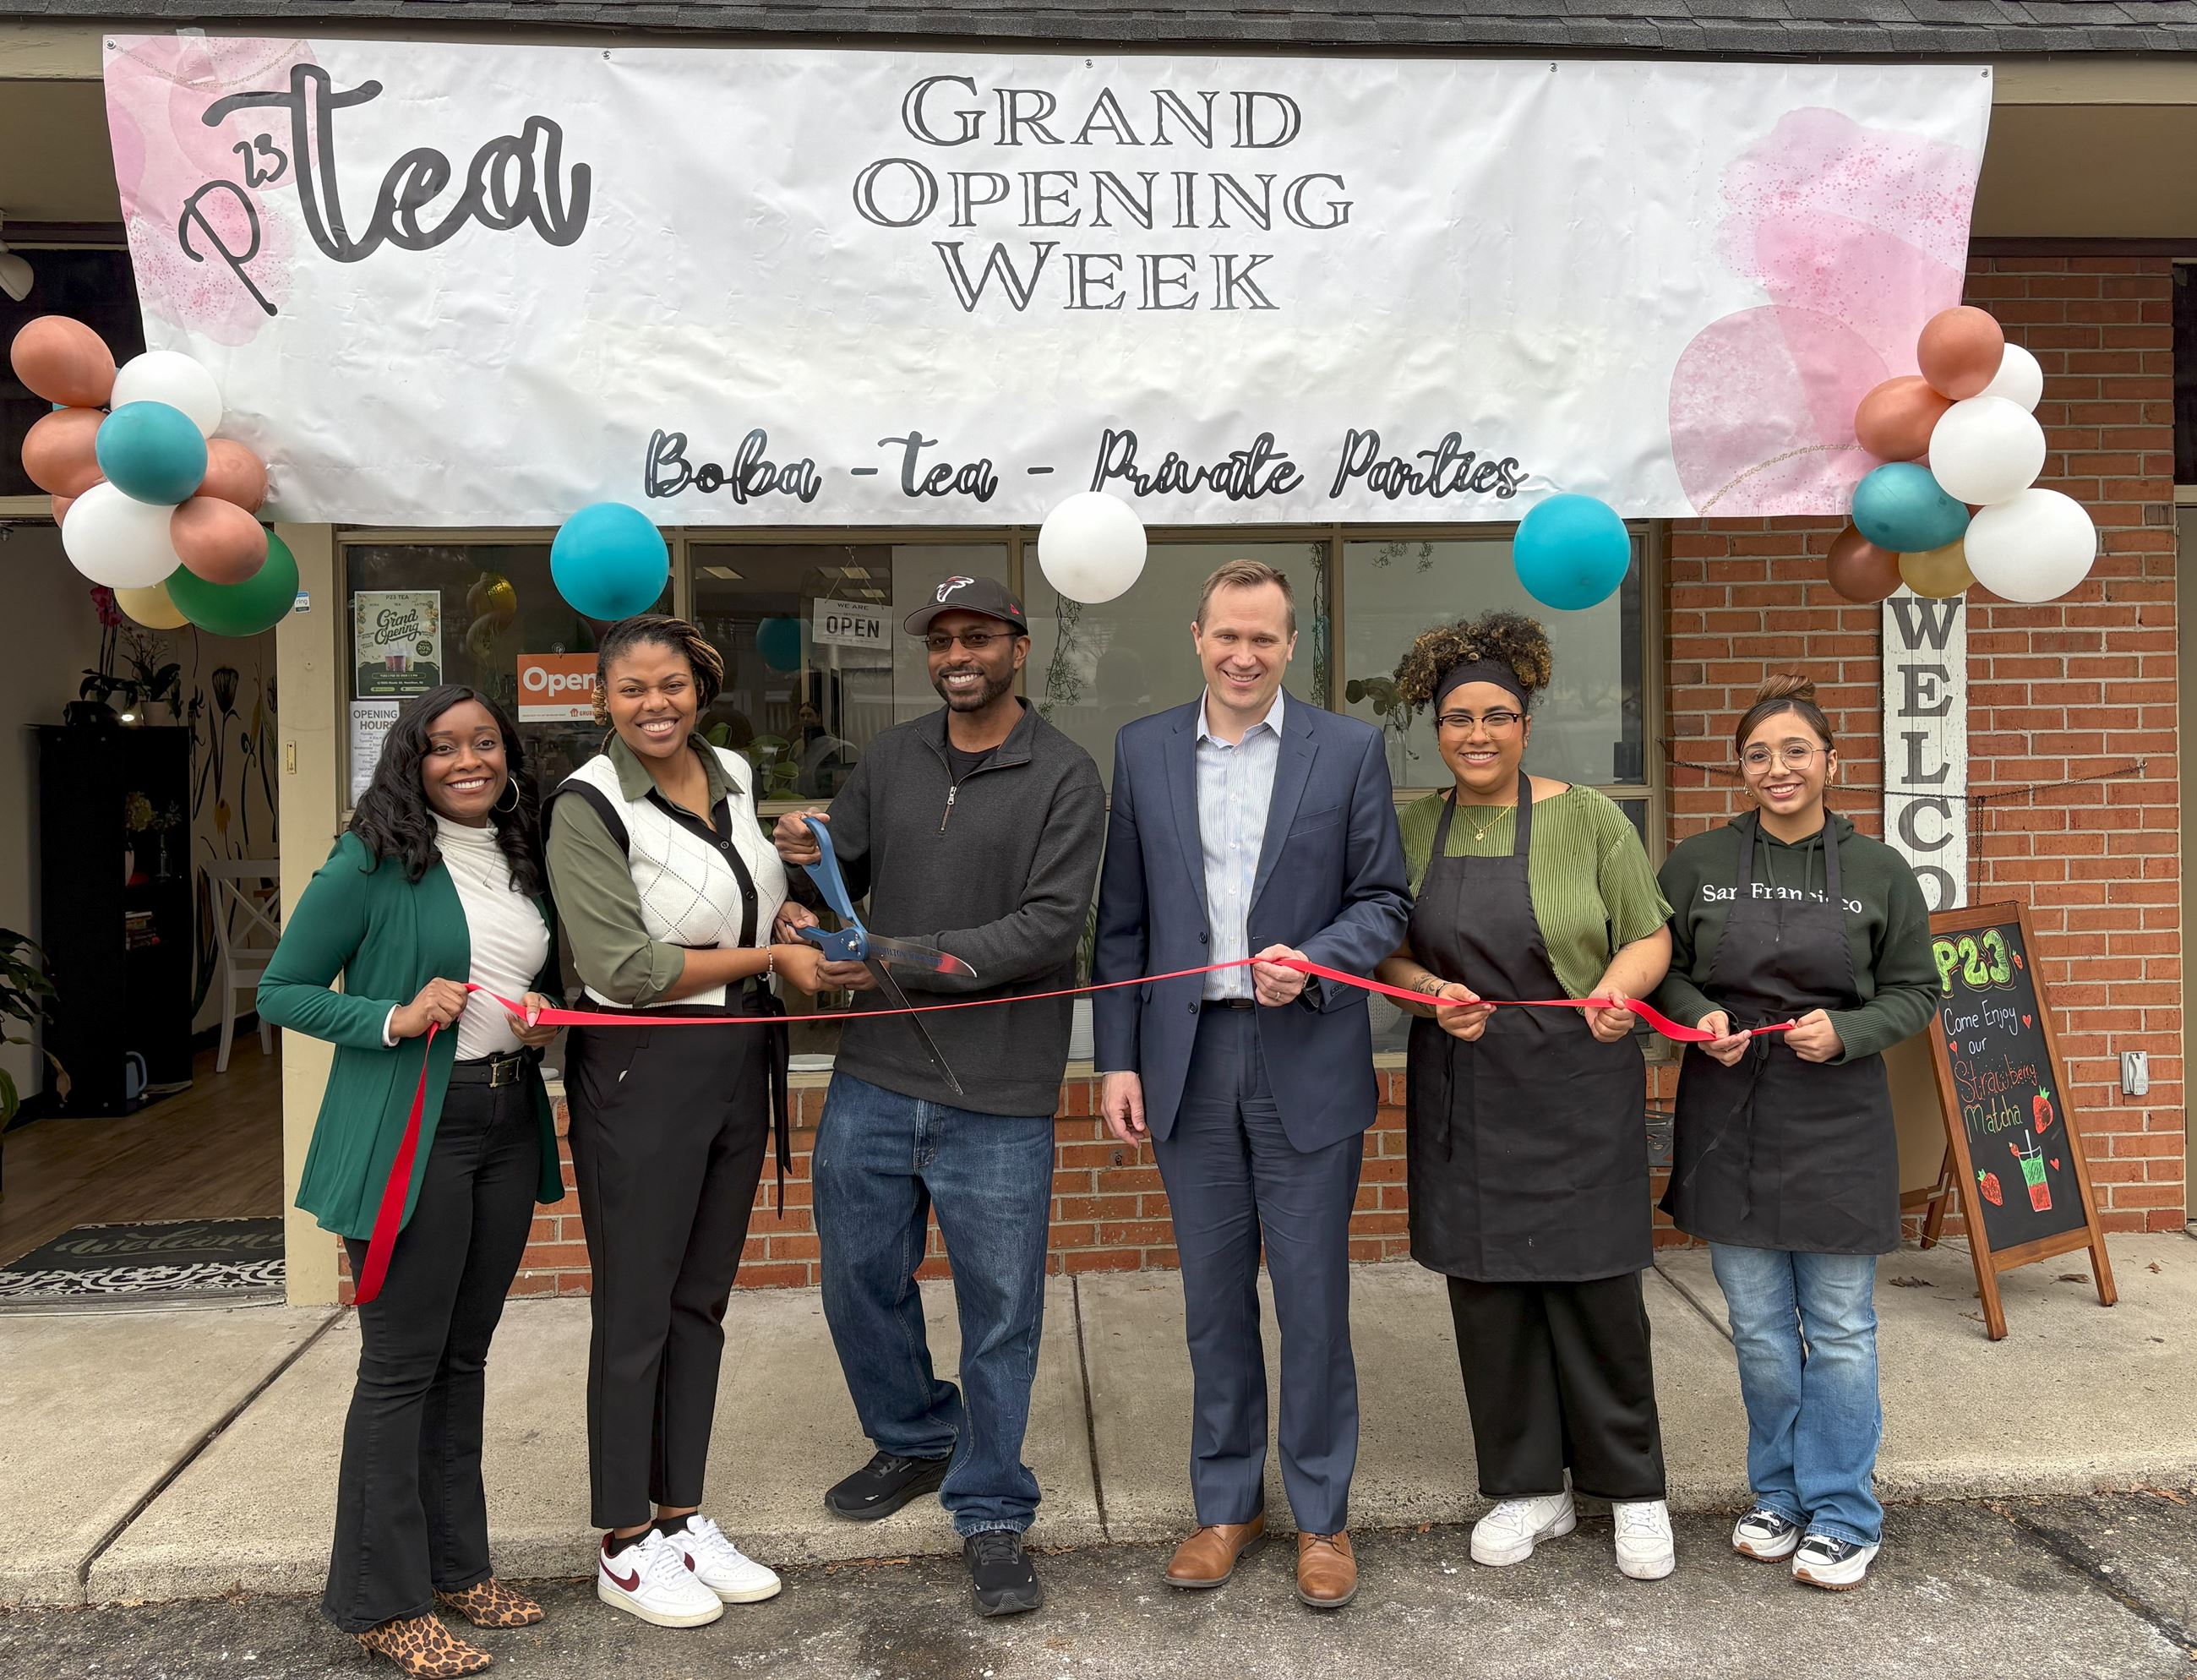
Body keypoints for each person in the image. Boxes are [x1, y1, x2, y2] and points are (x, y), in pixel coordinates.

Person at [771, 575, 1104, 1618]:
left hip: (998, 1089)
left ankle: (993, 1506)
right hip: (875, 1074)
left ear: (1018, 646)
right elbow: (833, 873)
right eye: (941, 640)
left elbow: (1046, 928)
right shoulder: (892, 757)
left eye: (977, 637)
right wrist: (796, 889)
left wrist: (893, 953)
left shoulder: (1065, 773)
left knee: (1000, 1312)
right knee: (857, 1278)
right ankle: (915, 1435)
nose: (956, 654)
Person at [1093, 559, 1410, 1611]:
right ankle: (1226, 1504)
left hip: (1303, 1055)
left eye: (1263, 638)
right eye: (1226, 635)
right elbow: (1121, 923)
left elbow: (1382, 900)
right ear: (1196, 637)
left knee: (1312, 1300)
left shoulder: (1347, 749)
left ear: (1290, 645)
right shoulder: (1141, 749)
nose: (1243, 654)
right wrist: (1116, 1056)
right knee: (1212, 1300)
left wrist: (1316, 959)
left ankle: (1322, 1515)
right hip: (1186, 1062)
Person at [259, 686, 564, 1678]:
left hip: (505, 1120)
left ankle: (457, 1566)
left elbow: (521, 974)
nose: (468, 760)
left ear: (507, 753)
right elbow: (281, 989)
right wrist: (391, 1014)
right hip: (412, 1133)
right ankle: (381, 1601)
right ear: (411, 760)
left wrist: (537, 1010)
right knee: (400, 1366)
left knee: (462, 1358)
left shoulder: (519, 852)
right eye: (443, 746)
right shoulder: (370, 859)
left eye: (485, 742)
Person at [1371, 612, 1678, 1582]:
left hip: (1579, 1083)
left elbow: (1648, 932)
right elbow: (1384, 949)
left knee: (1597, 1293)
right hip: (1466, 1087)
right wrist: (1429, 992)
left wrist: (1616, 989)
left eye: (1495, 716)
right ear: (1435, 728)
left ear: (1525, 725)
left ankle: (1631, 1488)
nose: (1476, 733)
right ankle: (1527, 1486)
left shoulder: (1589, 819)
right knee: (1489, 1295)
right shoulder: (1409, 827)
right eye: (1457, 717)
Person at [544, 615, 831, 1630]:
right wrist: (770, 959)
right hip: (643, 1066)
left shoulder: (735, 776)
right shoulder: (586, 802)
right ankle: (623, 1540)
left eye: (669, 684)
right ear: (603, 700)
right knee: (637, 1305)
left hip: (737, 1057)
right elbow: (622, 966)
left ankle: (679, 1513)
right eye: (630, 689)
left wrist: (785, 916)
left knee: (699, 1298)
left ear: (699, 687)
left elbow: (744, 892)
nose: (652, 704)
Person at [1651, 674, 1936, 1591]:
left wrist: (1848, 1030)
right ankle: (1777, 1493)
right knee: (1761, 1329)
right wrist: (1696, 1016)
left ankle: (1844, 1509)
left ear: (1829, 763)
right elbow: (1662, 970)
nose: (1776, 768)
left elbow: (1917, 990)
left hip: (1837, 1120)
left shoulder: (1880, 870)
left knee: (1841, 1327)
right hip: (1727, 1112)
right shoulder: (1695, 862)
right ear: (1741, 768)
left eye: (1795, 751)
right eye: (1757, 754)